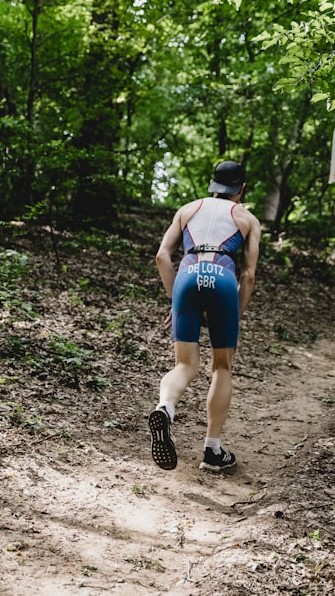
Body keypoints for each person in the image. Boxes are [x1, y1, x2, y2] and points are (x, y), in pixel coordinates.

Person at [148, 160, 262, 472]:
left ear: (212, 185)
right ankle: (212, 451)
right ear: (241, 188)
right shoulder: (247, 219)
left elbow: (162, 257)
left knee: (184, 364)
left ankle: (166, 407)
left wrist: (174, 300)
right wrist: (234, 314)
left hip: (187, 275)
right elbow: (249, 276)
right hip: (223, 280)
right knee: (221, 366)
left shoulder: (187, 209)